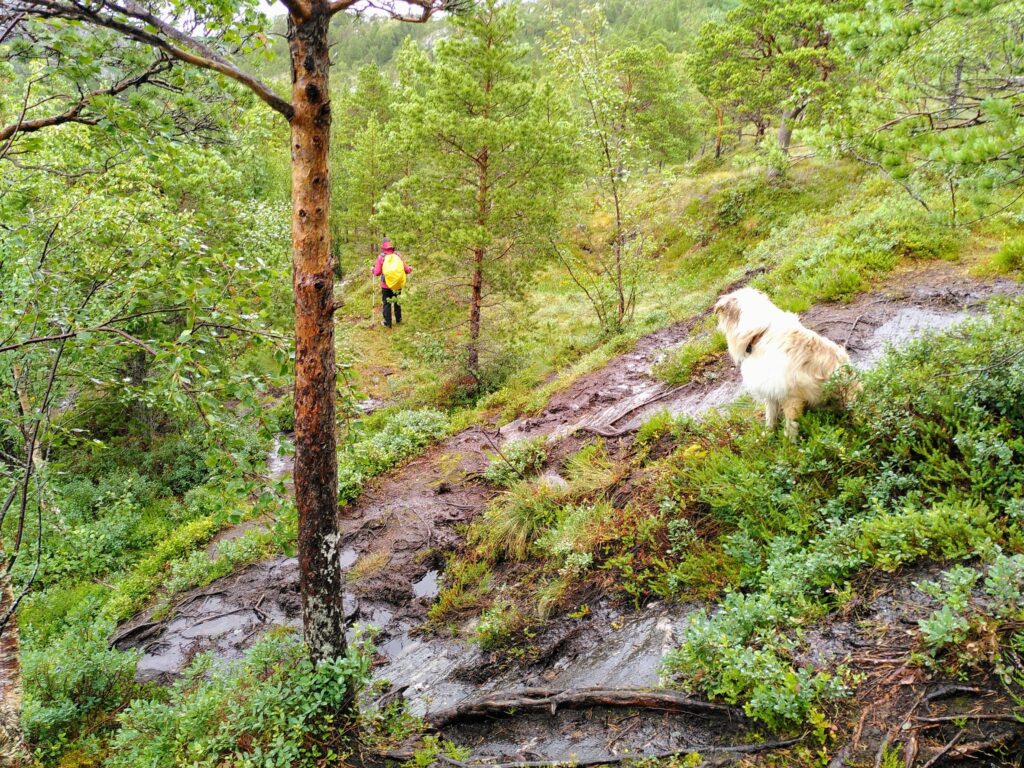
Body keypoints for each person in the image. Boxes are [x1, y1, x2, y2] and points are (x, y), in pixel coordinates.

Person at [372, 237, 412, 327]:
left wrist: (372, 270)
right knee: (397, 301)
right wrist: (410, 269)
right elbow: (406, 269)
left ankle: (387, 322)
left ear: (383, 246)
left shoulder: (381, 257)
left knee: (387, 303)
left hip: (385, 284)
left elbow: (377, 272)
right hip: (397, 284)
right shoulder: (398, 255)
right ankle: (399, 320)